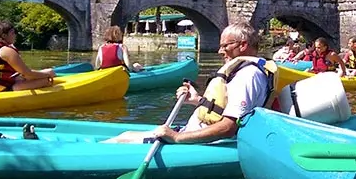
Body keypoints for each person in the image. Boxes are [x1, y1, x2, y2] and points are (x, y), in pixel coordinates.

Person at [105, 22, 279, 144]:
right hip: (193, 134)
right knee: (125, 134)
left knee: (123, 139)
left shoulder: (247, 76)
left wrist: (176, 138)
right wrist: (196, 100)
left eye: (225, 46)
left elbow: (229, 127)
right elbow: (225, 109)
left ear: (243, 45)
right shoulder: (243, 72)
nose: (220, 51)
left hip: (208, 144)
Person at [0, 20, 55, 93]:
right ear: (4, 36)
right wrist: (47, 74)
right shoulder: (6, 51)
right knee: (46, 81)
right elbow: (27, 74)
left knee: (19, 78)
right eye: (12, 33)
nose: (15, 35)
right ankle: (15, 88)